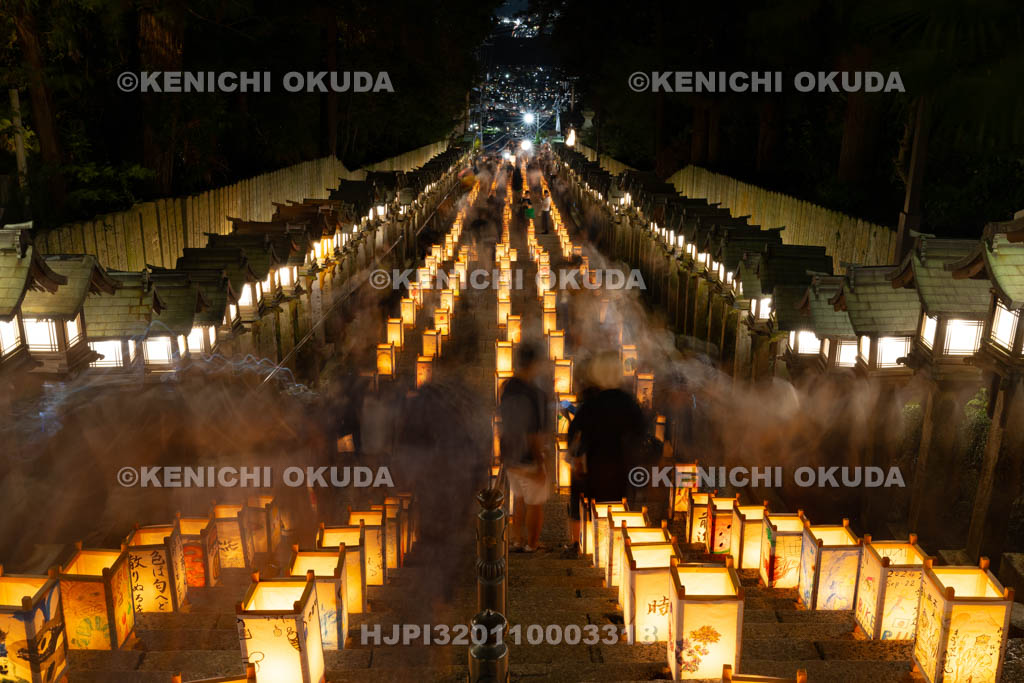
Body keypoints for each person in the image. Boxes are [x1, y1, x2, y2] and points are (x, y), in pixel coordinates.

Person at [566, 351, 645, 554]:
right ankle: (615, 547)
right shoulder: (629, 404)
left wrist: (575, 457)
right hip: (622, 466)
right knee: (617, 504)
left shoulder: (591, 404)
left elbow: (574, 433)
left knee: (583, 501)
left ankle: (578, 543)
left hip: (593, 467)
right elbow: (642, 433)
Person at [500, 342, 549, 552]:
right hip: (528, 455)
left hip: (509, 452)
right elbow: (534, 433)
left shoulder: (507, 387)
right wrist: (540, 464)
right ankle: (532, 543)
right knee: (535, 503)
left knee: (518, 498)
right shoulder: (536, 394)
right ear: (535, 364)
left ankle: (517, 539)